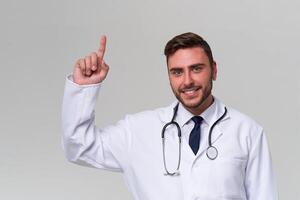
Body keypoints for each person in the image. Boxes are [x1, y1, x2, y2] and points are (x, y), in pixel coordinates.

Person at [62, 32, 278, 200]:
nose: (187, 81)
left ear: (214, 70)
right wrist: (84, 89)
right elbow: (79, 148)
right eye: (177, 72)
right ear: (169, 76)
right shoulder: (138, 131)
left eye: (196, 68)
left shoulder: (247, 131)